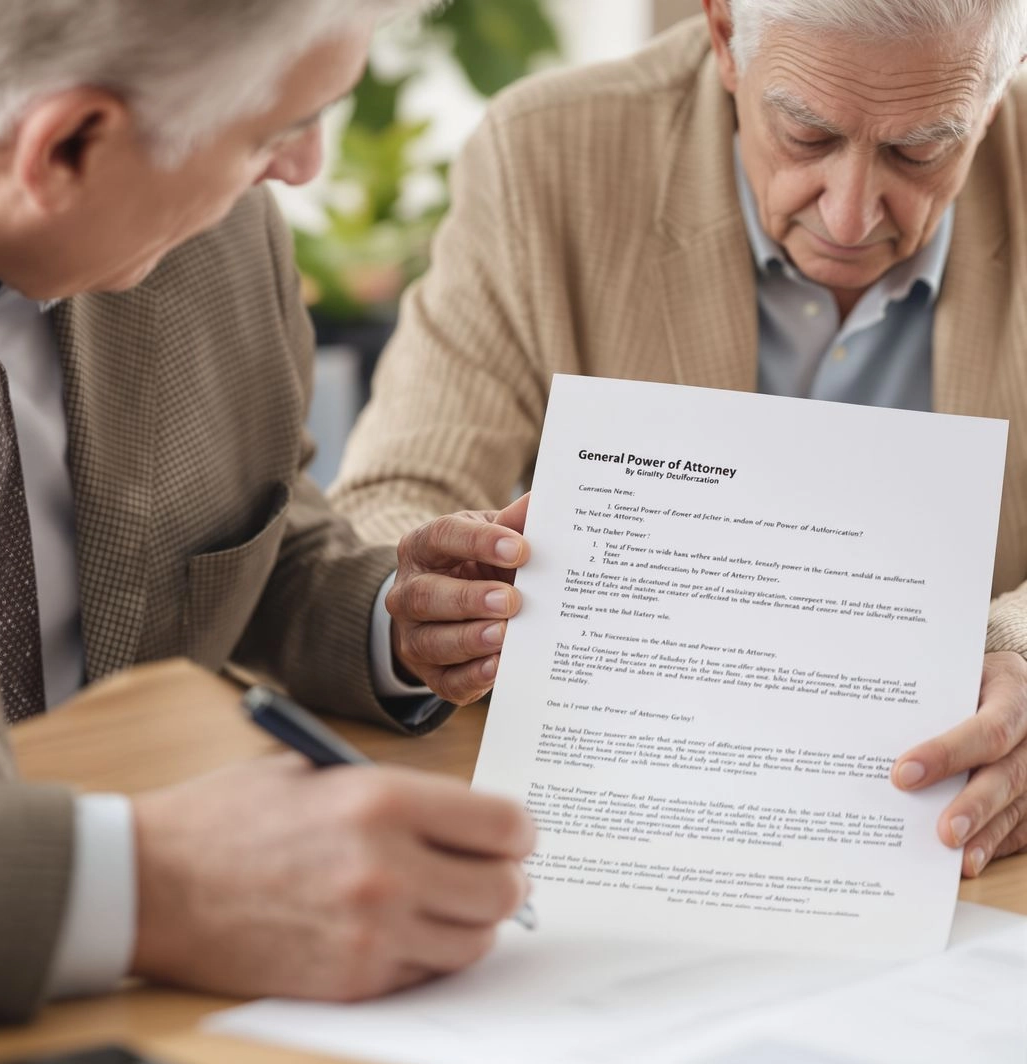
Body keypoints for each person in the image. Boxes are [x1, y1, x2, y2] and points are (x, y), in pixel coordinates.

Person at [330, 0, 1027, 882]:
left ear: (997, 87)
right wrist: (440, 597)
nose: (851, 216)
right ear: (726, 37)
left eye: (919, 151)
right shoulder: (548, 155)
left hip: (949, 852)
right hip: (616, 816)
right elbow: (393, 496)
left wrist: (1017, 651)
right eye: (806, 135)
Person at [0, 0, 537, 1022]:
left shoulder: (212, 239)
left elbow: (251, 523)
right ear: (70, 146)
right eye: (277, 129)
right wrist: (155, 886)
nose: (303, 169)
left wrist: (396, 618)